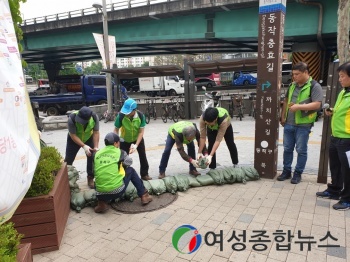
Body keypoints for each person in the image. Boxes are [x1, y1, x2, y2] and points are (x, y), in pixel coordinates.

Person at [278, 62, 323, 184]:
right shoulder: (292, 85)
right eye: (293, 74)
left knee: (301, 150)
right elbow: (286, 100)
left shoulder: (314, 86)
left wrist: (299, 107)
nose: (295, 77)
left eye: (297, 74)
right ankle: (286, 171)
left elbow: (318, 104)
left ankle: (298, 173)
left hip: (303, 125)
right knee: (287, 148)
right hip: (289, 123)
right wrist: (283, 116)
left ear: (306, 72)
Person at [316, 61, 350, 210]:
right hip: (336, 136)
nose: (340, 79)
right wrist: (332, 111)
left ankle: (347, 199)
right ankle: (335, 190)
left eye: (342, 76)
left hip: (347, 139)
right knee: (335, 166)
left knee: (347, 170)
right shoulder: (344, 92)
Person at [93, 132, 152, 213]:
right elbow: (129, 162)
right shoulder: (120, 152)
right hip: (117, 191)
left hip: (99, 193)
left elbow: (94, 171)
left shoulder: (96, 154)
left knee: (99, 176)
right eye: (118, 142)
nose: (119, 144)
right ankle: (144, 195)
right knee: (131, 170)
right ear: (115, 143)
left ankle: (101, 203)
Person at [114, 98, 151, 180]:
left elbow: (141, 132)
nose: (126, 113)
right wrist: (116, 142)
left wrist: (136, 145)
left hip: (137, 138)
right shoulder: (121, 116)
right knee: (123, 159)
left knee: (143, 156)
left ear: (134, 110)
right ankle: (123, 176)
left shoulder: (140, 116)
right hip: (124, 139)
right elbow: (116, 130)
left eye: (128, 111)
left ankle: (144, 174)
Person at [64, 106, 100, 189]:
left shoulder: (94, 117)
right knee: (68, 159)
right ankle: (66, 180)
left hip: (88, 137)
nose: (80, 122)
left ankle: (90, 178)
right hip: (74, 139)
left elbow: (96, 132)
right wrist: (84, 146)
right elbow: (73, 135)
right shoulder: (72, 118)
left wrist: (95, 147)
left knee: (92, 157)